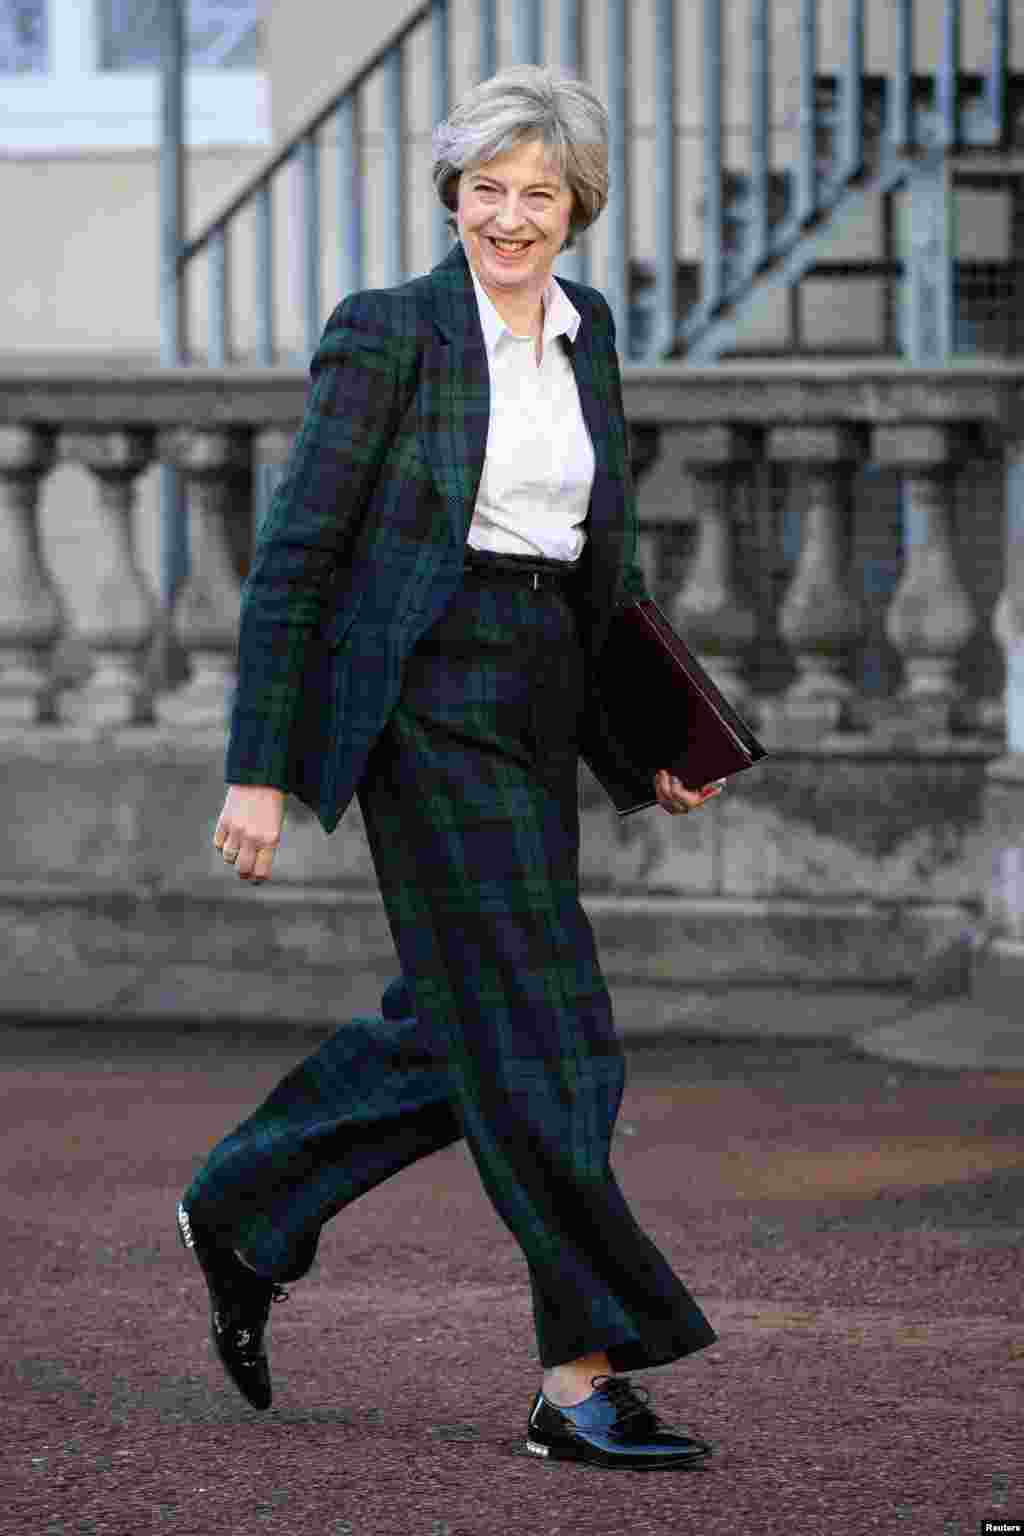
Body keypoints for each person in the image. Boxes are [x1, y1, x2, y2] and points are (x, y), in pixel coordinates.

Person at [177, 64, 723, 1472]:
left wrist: (647, 739)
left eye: (539, 193)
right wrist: (263, 771)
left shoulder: (588, 332)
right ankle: (583, 1376)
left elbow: (601, 566)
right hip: (422, 702)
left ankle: (246, 1204)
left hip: (541, 691)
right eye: (487, 189)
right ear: (452, 195)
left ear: (577, 208)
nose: (510, 216)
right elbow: (297, 558)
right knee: (558, 1041)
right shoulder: (389, 332)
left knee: (465, 1026)